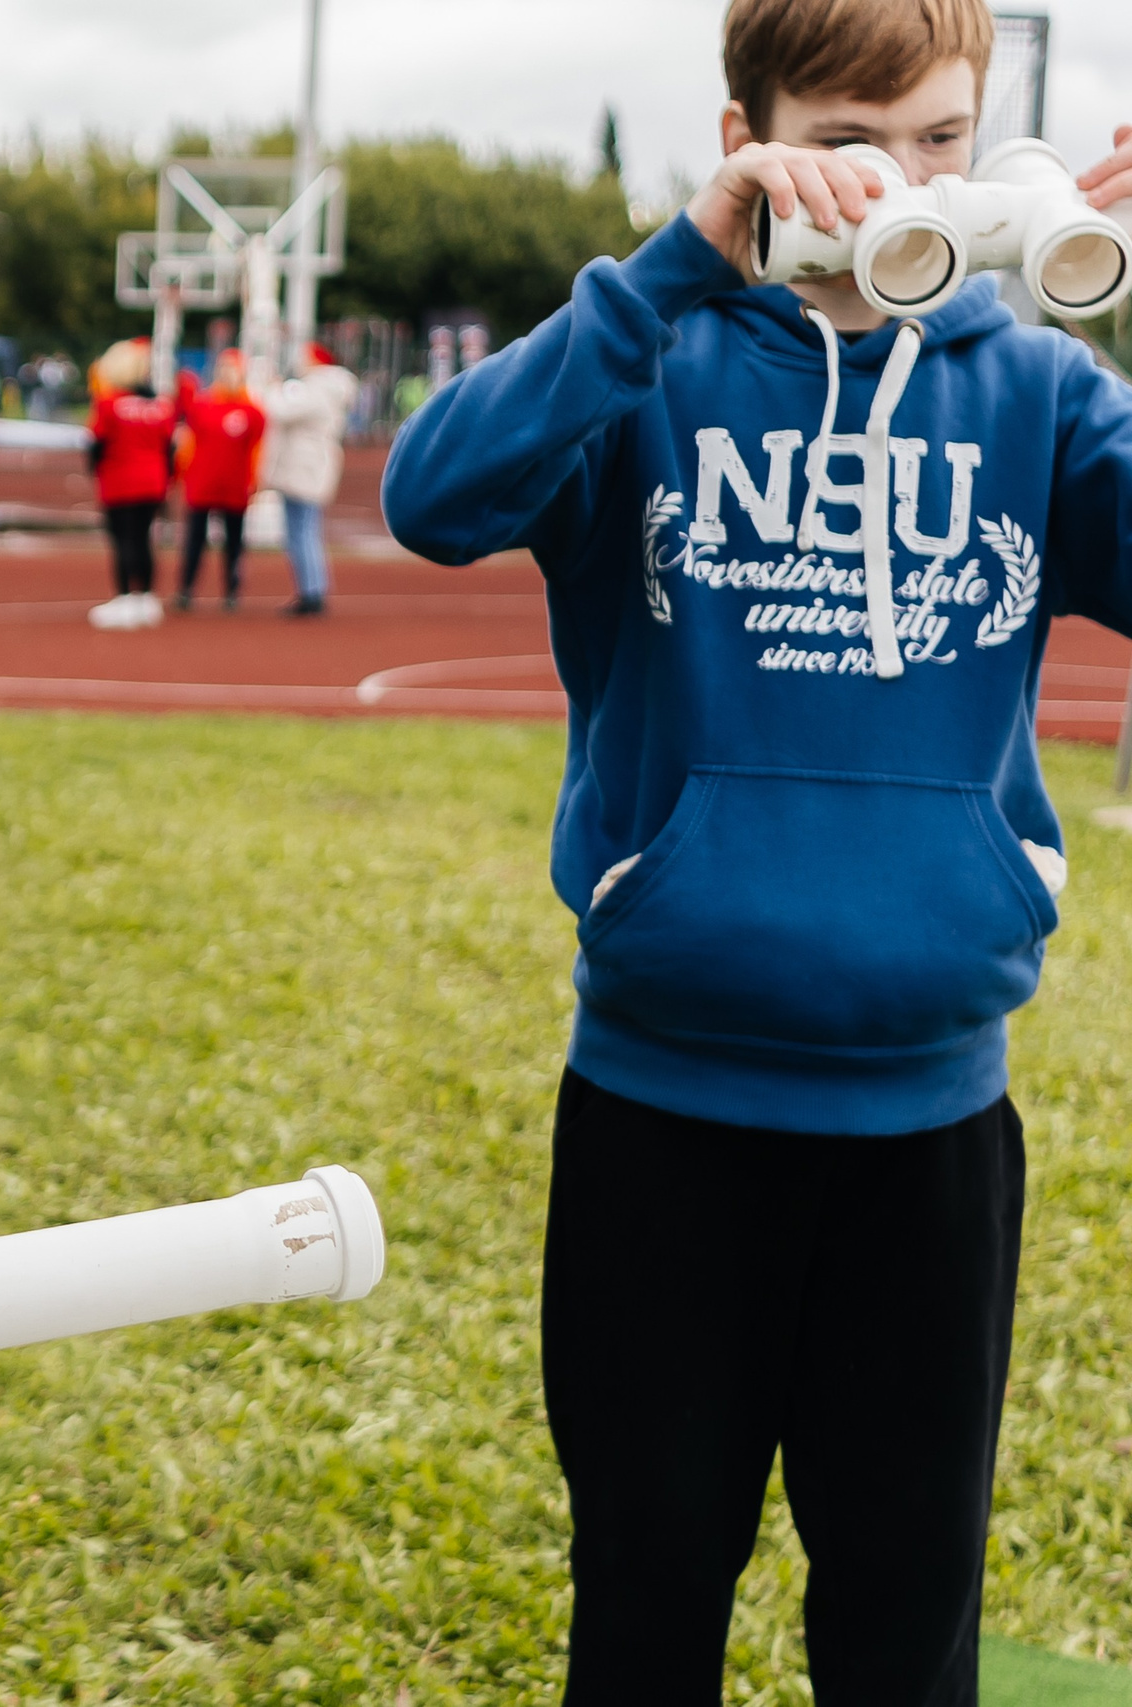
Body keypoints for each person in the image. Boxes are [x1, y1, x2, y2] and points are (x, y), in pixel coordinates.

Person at [381, 0, 1132, 1699]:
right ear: (746, 138)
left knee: (906, 1609)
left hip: (934, 1126)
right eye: (847, 140)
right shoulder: (652, 361)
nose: (899, 183)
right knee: (646, 1591)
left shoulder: (1035, 390)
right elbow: (436, 496)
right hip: (664, 1117)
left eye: (940, 139)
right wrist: (672, 271)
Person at [85, 339, 180, 630]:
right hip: (153, 482)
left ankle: (126, 597)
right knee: (143, 538)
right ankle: (147, 599)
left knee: (123, 539)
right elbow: (170, 448)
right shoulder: (161, 406)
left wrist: (96, 471)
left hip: (120, 480)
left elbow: (96, 445)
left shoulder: (109, 405)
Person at [261, 343, 357, 617]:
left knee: (301, 531)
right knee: (303, 530)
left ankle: (312, 592)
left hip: (304, 466)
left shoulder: (318, 388)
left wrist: (274, 387)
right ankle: (310, 589)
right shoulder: (328, 388)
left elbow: (279, 411)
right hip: (309, 465)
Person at [175, 349, 267, 611]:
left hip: (235, 485)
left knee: (234, 541)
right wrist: (183, 475)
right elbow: (187, 444)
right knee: (195, 538)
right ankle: (186, 589)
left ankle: (231, 591)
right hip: (202, 483)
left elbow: (258, 450)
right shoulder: (202, 406)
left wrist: (254, 480)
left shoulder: (252, 411)